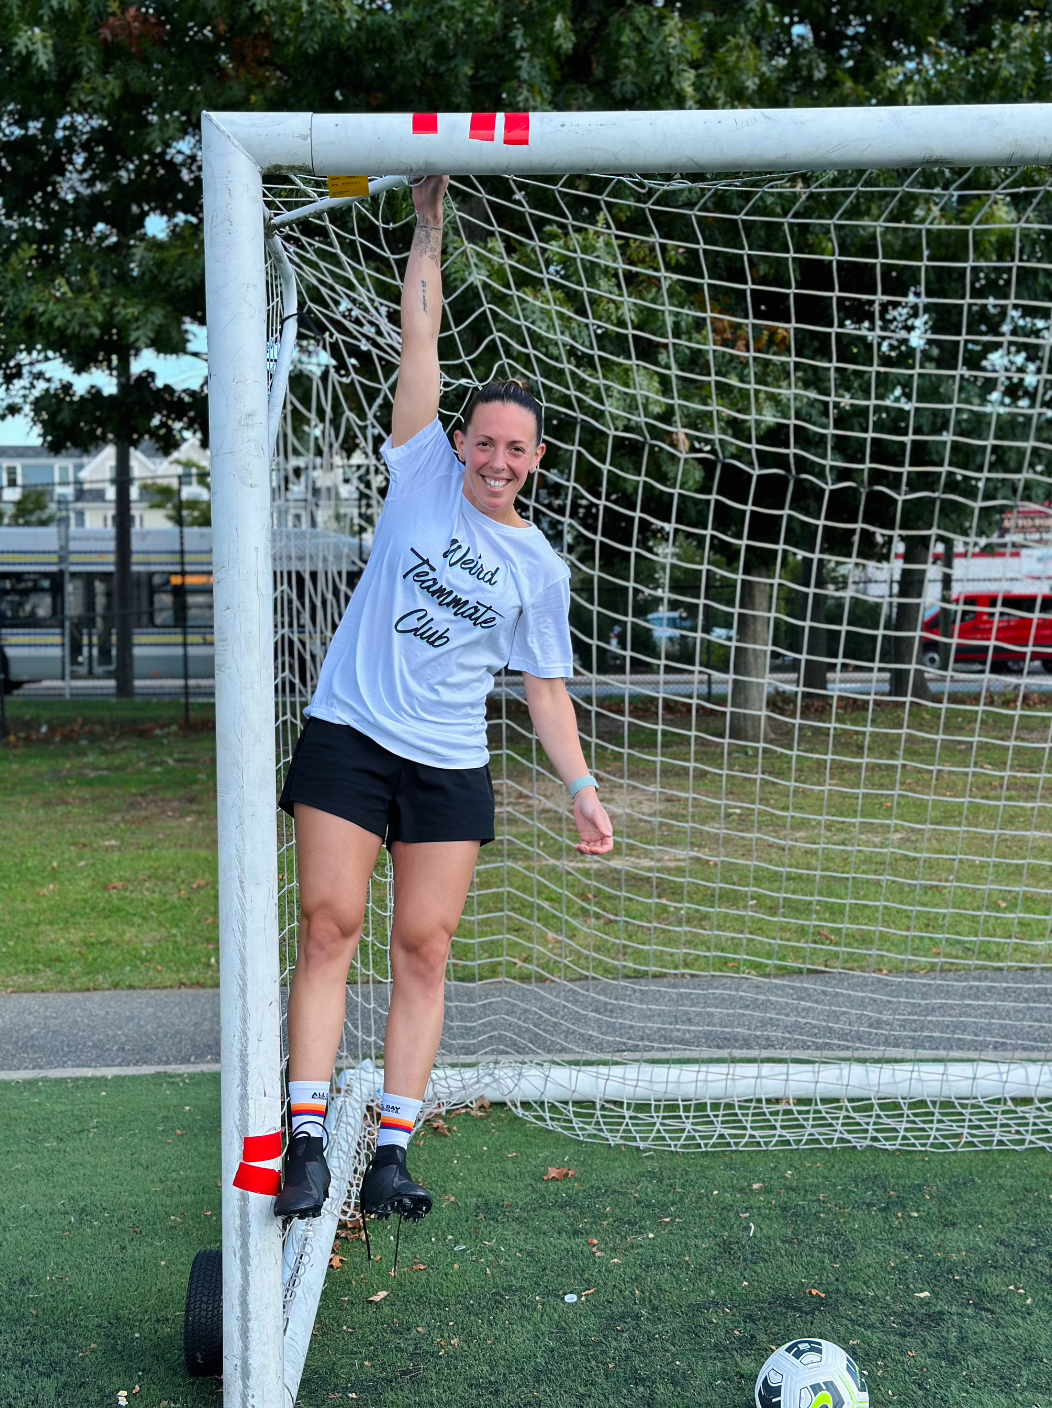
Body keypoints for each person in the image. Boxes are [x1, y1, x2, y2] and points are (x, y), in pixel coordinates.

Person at [273, 174, 614, 1223]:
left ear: (535, 463)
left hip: (447, 760)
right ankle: (303, 1136)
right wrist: (427, 228)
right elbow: (418, 335)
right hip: (350, 733)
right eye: (485, 441)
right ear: (460, 443)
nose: (497, 458)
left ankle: (389, 1148)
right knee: (330, 925)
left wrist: (581, 788)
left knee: (424, 946)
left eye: (517, 448)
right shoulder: (419, 470)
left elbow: (543, 689)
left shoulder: (538, 569)